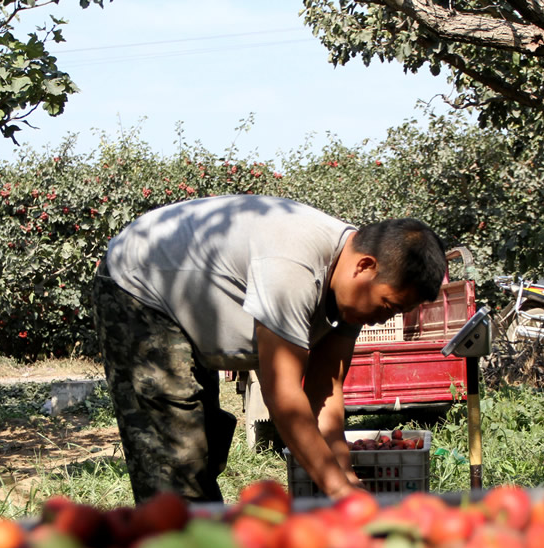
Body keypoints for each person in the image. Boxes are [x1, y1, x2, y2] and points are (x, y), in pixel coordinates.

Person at [91, 194, 447, 503]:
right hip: (138, 286)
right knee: (177, 455)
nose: (384, 320)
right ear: (365, 267)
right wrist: (339, 492)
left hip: (183, 296)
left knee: (205, 439)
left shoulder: (353, 284)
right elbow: (283, 394)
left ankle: (201, 542)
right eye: (388, 306)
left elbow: (325, 391)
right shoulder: (295, 266)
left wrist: (345, 476)